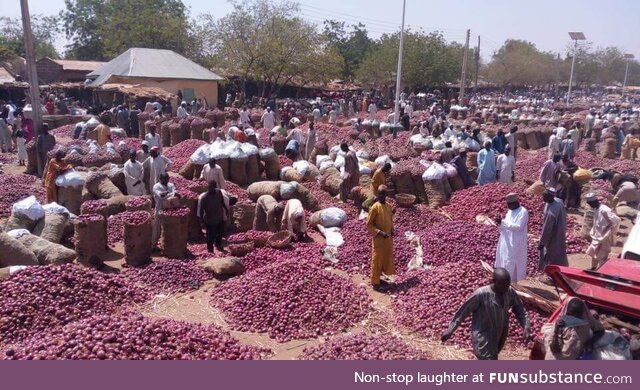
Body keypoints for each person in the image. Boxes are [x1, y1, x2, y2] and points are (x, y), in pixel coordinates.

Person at [441, 268, 530, 360]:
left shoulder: (509, 292)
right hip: (484, 336)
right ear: (494, 281)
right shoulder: (481, 294)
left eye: (508, 284)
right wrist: (450, 329)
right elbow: (463, 311)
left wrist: (526, 325)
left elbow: (519, 308)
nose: (505, 287)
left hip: (500, 335)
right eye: (503, 285)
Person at [366, 185, 395, 292]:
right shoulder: (375, 207)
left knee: (385, 258)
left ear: (386, 195)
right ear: (378, 194)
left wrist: (392, 229)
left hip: (388, 239)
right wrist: (379, 232)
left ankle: (379, 278)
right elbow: (369, 224)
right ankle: (375, 283)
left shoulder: (388, 207)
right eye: (380, 194)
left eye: (383, 194)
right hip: (379, 239)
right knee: (377, 259)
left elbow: (390, 220)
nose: (381, 196)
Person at [495, 193, 529, 283]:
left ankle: (516, 284)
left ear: (515, 202)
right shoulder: (510, 211)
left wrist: (502, 223)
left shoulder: (523, 212)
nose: (508, 207)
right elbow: (506, 223)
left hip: (516, 243)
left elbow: (518, 227)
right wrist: (500, 222)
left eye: (509, 205)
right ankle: (506, 282)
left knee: (515, 264)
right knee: (506, 262)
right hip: (507, 242)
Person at [585, 193, 621, 270]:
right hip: (597, 235)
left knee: (602, 254)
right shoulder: (596, 208)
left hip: (604, 236)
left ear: (594, 202)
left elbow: (616, 220)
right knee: (594, 252)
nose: (590, 205)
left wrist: (608, 233)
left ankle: (602, 271)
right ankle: (593, 268)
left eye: (590, 204)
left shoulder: (604, 209)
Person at [539, 188, 568, 272]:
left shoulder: (551, 213)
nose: (542, 198)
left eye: (544, 197)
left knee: (552, 254)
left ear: (550, 197)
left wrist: (542, 243)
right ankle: (564, 269)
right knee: (560, 251)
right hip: (561, 230)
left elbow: (547, 229)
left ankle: (554, 274)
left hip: (553, 236)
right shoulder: (559, 201)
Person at [197, 180, 228, 253]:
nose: (209, 189)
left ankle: (218, 245)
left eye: (211, 187)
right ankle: (210, 249)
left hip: (219, 216)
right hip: (210, 219)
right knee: (210, 235)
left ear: (215, 187)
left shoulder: (218, 193)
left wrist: (226, 209)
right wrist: (201, 221)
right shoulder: (204, 198)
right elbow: (201, 210)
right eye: (209, 187)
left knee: (219, 233)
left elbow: (222, 202)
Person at [152, 173, 177, 245]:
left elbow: (175, 193)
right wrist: (170, 193)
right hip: (160, 209)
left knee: (168, 227)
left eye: (167, 179)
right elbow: (161, 196)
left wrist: (167, 193)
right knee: (157, 227)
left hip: (169, 209)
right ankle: (153, 244)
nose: (166, 181)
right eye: (164, 180)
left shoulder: (171, 185)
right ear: (160, 179)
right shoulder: (156, 186)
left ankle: (167, 244)